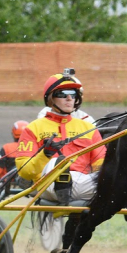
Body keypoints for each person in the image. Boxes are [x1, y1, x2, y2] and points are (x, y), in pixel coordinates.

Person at [15, 70, 106, 205]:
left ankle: (65, 185)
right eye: (63, 94)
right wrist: (45, 154)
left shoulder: (88, 128)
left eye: (73, 94)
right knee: (56, 163)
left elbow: (100, 162)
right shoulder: (33, 128)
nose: (69, 98)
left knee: (110, 176)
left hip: (82, 183)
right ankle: (62, 182)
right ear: (51, 98)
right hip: (45, 183)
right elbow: (25, 172)